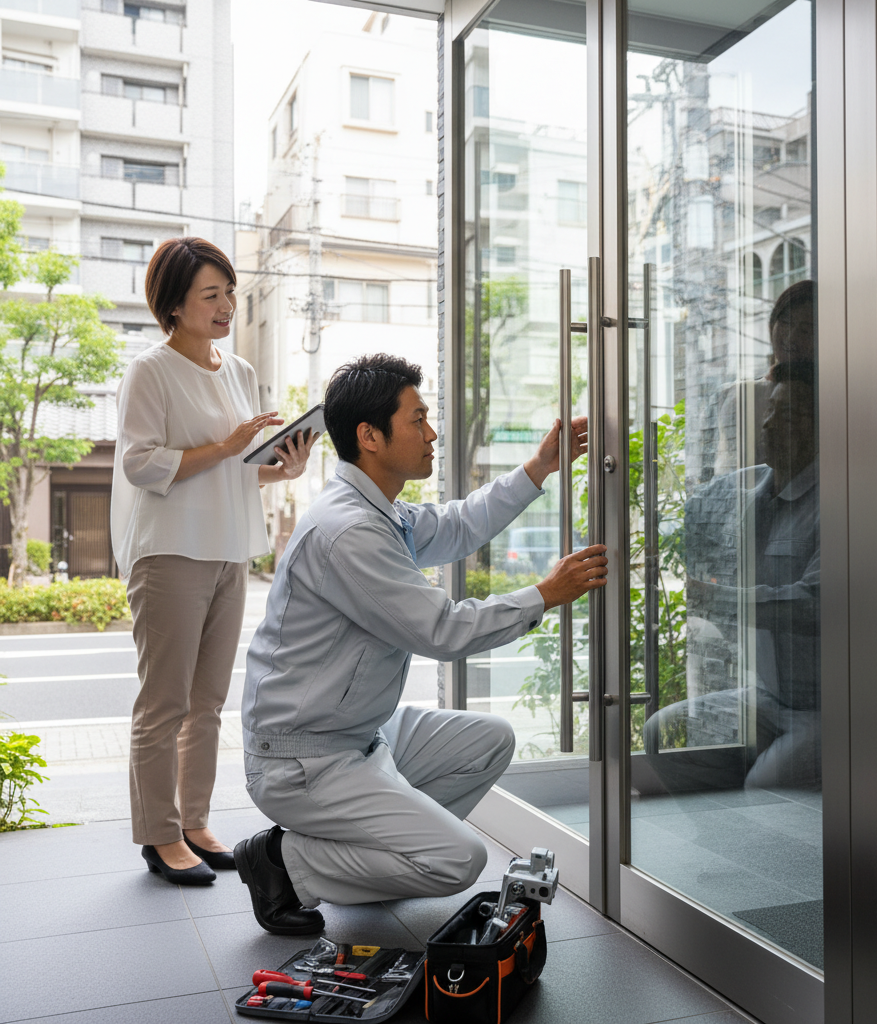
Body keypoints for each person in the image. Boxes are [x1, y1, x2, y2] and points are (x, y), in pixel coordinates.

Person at [235, 354, 608, 934]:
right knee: (460, 859)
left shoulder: (381, 512)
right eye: (418, 419)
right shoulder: (350, 530)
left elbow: (459, 524)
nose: (431, 432)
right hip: (304, 757)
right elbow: (443, 630)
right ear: (370, 437)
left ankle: (370, 860)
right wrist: (543, 595)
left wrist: (539, 468)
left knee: (489, 742)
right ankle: (284, 861)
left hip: (358, 735)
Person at [111, 237, 317, 885]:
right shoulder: (151, 370)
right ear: (174, 305)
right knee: (163, 703)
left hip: (229, 549)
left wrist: (281, 469)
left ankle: (194, 822)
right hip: (169, 552)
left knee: (208, 702)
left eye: (231, 292)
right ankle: (158, 834)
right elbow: (142, 465)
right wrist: (230, 447)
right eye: (212, 294)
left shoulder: (241, 371)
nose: (228, 304)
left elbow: (236, 475)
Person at [646, 282, 820, 790]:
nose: (768, 423)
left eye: (806, 331)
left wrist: (724, 602)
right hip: (769, 694)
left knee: (764, 787)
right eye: (783, 329)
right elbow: (710, 512)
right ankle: (726, 836)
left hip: (832, 702)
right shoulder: (752, 491)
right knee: (664, 731)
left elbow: (815, 603)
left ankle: (760, 840)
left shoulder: (841, 499)